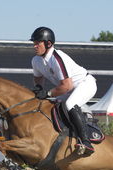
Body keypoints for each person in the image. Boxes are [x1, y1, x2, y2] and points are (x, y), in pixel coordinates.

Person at [30, 27, 97, 155]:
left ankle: (85, 142)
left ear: (48, 43)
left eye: (38, 42)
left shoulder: (57, 58)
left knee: (69, 104)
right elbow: (38, 79)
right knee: (50, 106)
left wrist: (48, 93)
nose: (35, 46)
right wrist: (38, 89)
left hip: (85, 84)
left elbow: (66, 85)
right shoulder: (36, 60)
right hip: (69, 89)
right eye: (34, 43)